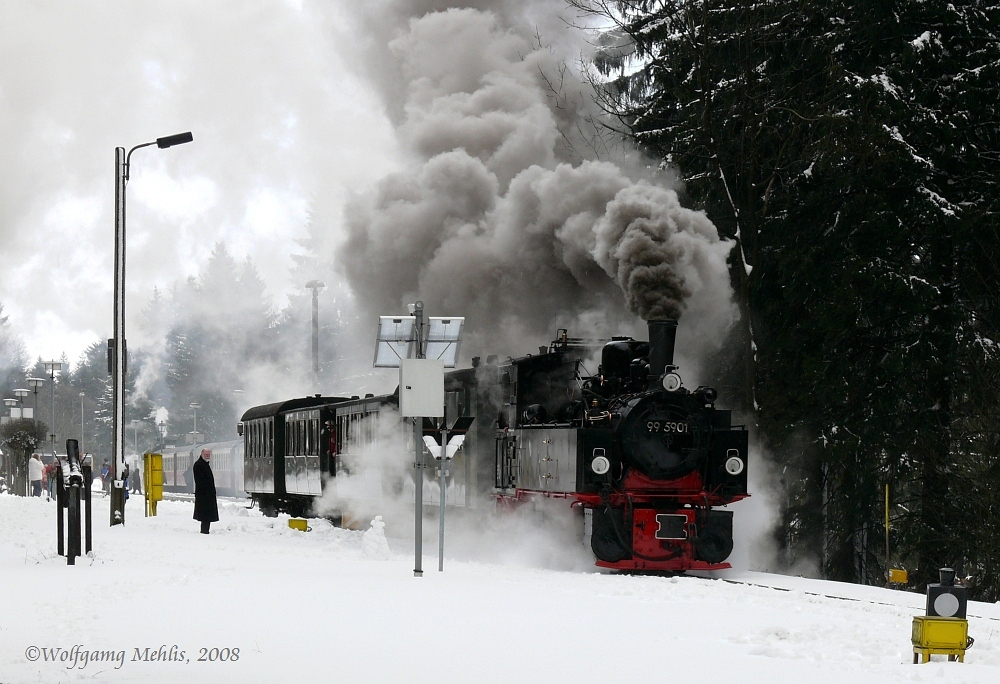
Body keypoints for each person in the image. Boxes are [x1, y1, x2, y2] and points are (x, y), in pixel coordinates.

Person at [192, 448, 218, 534]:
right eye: (206, 454)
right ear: (202, 454)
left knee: (207, 515)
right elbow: (200, 480)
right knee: (205, 515)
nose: (208, 456)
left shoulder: (205, 464)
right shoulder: (199, 465)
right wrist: (207, 491)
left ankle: (206, 529)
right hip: (203, 495)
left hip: (207, 494)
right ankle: (204, 530)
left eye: (209, 455)